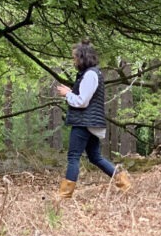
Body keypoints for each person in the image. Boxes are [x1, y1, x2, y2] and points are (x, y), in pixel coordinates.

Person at [55, 42, 131, 199]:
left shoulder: (90, 75)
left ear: (82, 57)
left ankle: (64, 195)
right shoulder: (91, 74)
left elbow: (82, 101)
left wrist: (67, 94)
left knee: (73, 157)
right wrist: (70, 92)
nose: (74, 61)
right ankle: (124, 183)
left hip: (84, 122)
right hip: (90, 122)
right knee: (95, 157)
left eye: (75, 57)